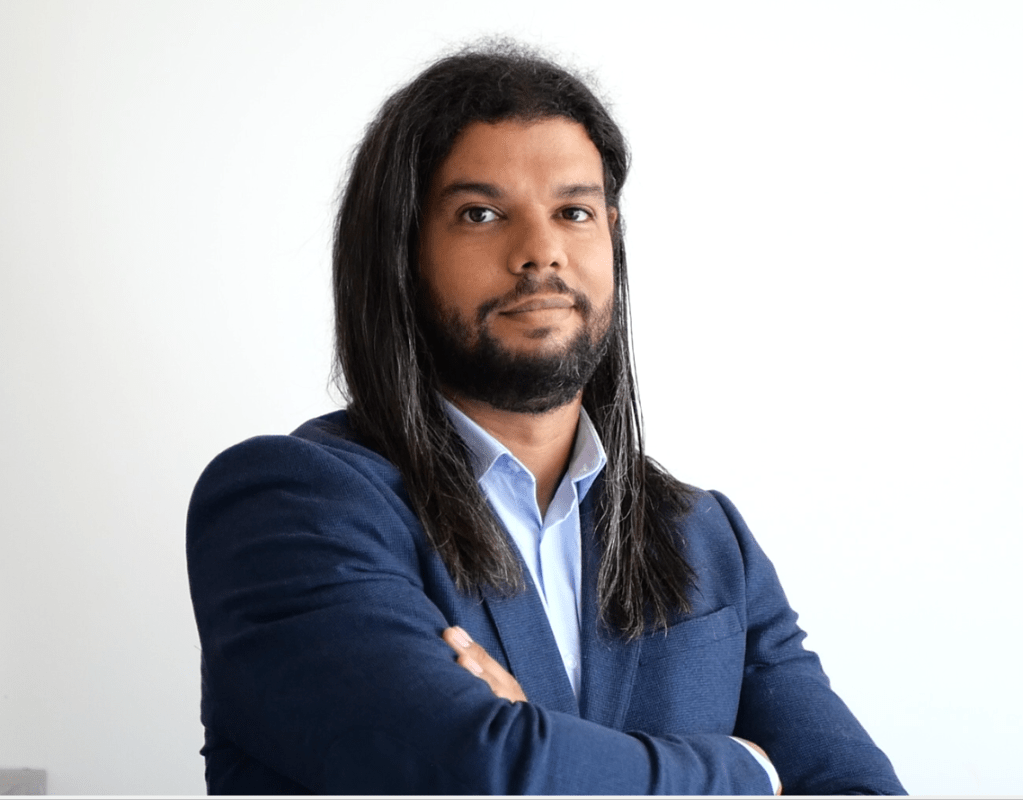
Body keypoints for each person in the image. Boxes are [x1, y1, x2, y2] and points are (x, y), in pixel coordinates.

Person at [186, 41, 906, 795]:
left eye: (573, 212)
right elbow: (491, 770)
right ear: (402, 251)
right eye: (481, 213)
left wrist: (543, 750)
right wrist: (751, 771)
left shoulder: (705, 539)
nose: (541, 251)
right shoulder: (290, 506)